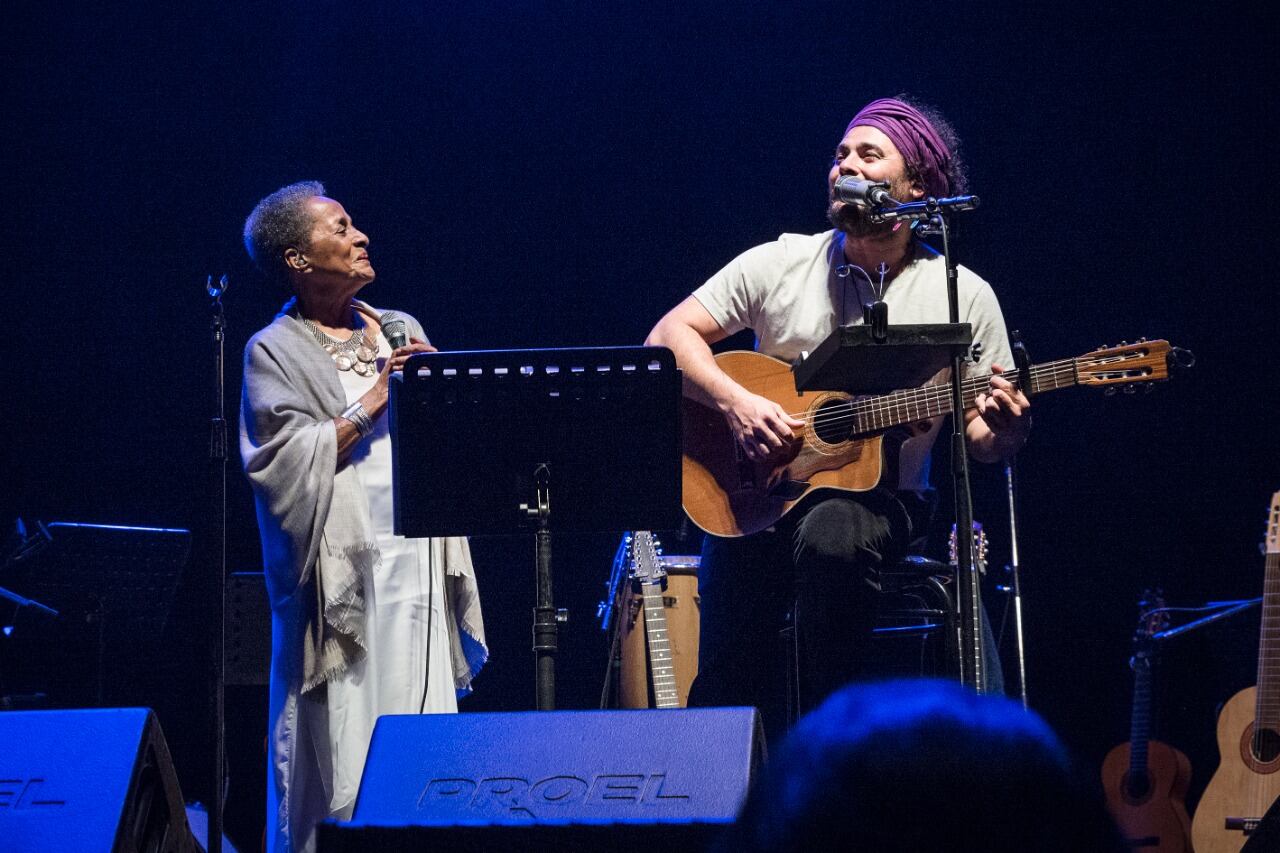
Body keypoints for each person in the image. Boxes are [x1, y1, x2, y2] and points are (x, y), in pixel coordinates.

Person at [645, 96, 1030, 734]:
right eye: (840, 154)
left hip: (882, 500)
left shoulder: (962, 293)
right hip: (762, 487)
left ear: (918, 188)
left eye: (868, 155)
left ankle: (835, 744)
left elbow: (981, 439)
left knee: (831, 532)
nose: (843, 167)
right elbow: (667, 337)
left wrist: (1007, 427)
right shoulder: (781, 262)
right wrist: (737, 402)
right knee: (726, 675)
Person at [240, 181, 487, 853]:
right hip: (341, 586)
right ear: (297, 258)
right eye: (341, 227)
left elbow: (455, 444)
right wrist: (380, 395)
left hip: (418, 566)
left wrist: (444, 395)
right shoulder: (273, 351)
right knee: (347, 748)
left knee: (422, 739)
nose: (360, 237)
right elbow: (280, 465)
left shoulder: (396, 326)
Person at [717, 679, 1127, 852]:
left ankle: (826, 704)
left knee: (832, 537)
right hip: (753, 534)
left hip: (870, 514)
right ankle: (714, 750)